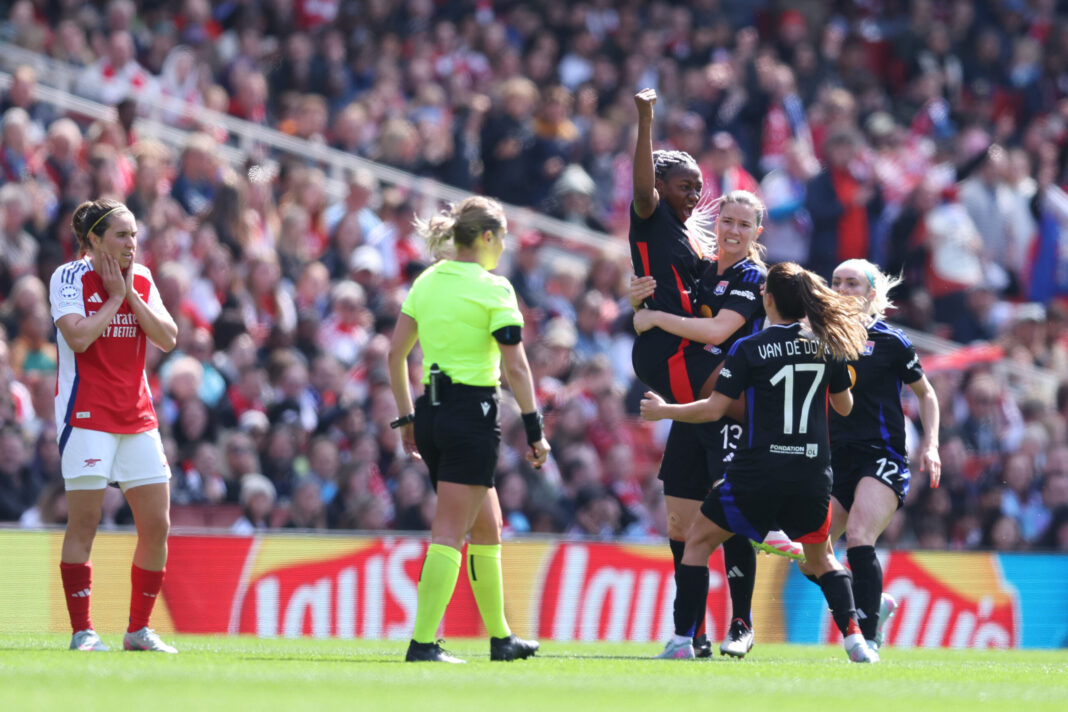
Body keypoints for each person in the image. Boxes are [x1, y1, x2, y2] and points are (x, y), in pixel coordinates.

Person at [640, 262, 880, 663]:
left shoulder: (750, 348)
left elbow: (714, 409)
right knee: (821, 559)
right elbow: (844, 406)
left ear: (767, 299)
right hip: (811, 474)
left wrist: (666, 412)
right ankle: (856, 640)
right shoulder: (827, 345)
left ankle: (683, 641)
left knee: (697, 543)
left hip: (758, 472)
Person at [388, 196, 550, 663]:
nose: (504, 247)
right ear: (486, 238)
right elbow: (516, 368)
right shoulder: (494, 289)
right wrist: (535, 429)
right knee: (450, 532)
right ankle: (422, 643)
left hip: (433, 412)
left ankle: (501, 639)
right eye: (501, 238)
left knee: (488, 527)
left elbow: (395, 355)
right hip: (471, 414)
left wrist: (405, 418)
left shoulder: (427, 280)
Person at [630, 189, 790, 657]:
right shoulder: (698, 269)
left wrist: (653, 316)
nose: (733, 231)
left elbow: (719, 331)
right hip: (688, 407)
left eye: (744, 224)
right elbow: (654, 314)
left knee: (729, 519)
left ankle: (740, 623)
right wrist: (636, 300)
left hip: (728, 407)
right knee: (680, 523)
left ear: (757, 232)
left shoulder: (752, 276)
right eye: (727, 221)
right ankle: (691, 630)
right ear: (715, 222)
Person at [48, 198, 179, 653]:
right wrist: (115, 300)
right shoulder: (67, 277)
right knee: (85, 523)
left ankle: (138, 630)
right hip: (87, 415)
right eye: (122, 236)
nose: (132, 244)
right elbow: (79, 337)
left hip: (137, 417)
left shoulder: (141, 278)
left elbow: (168, 337)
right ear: (94, 240)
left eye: (135, 236)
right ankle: (82, 631)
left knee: (157, 525)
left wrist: (131, 294)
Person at [796, 258, 942, 652]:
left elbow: (926, 394)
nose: (842, 289)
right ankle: (871, 601)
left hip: (883, 455)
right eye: (837, 282)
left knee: (860, 535)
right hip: (834, 459)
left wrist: (931, 444)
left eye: (852, 284)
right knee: (809, 558)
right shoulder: (815, 339)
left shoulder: (891, 341)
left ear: (871, 295)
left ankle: (869, 636)